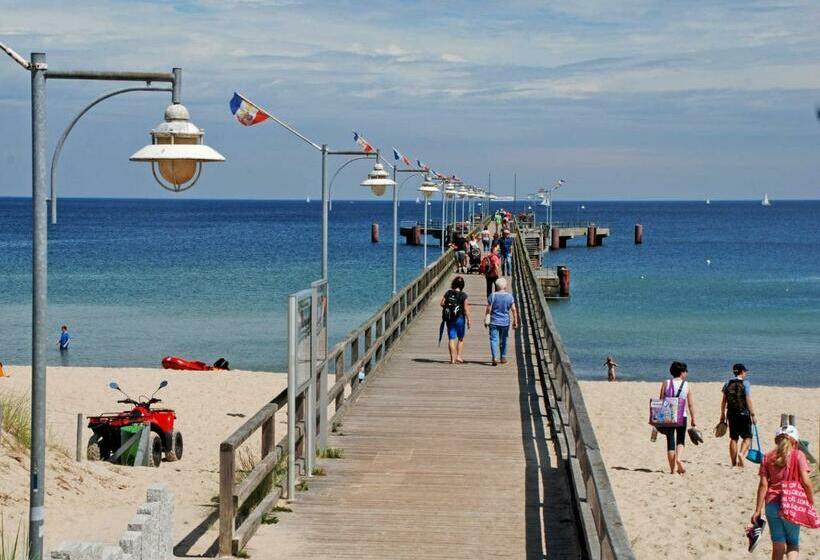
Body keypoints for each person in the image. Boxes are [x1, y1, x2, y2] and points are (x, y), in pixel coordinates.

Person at [749, 425, 814, 557]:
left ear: (776, 440)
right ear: (795, 442)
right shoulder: (799, 455)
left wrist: (757, 510)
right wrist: (810, 503)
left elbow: (763, 485)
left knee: (778, 544)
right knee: (792, 543)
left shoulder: (766, 457)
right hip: (792, 504)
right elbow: (806, 483)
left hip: (772, 505)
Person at [658, 361, 696, 475]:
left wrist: (659, 418)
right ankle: (679, 459)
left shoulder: (666, 383)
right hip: (682, 416)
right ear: (682, 372)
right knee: (680, 440)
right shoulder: (686, 385)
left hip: (668, 414)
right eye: (685, 371)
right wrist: (694, 418)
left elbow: (661, 400)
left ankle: (672, 470)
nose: (686, 373)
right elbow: (690, 404)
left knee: (670, 441)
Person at [719, 363, 757, 468]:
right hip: (744, 414)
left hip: (731, 414)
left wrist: (722, 415)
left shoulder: (727, 383)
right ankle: (741, 453)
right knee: (748, 437)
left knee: (733, 438)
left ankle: (733, 463)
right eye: (745, 371)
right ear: (742, 372)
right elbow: (748, 400)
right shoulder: (746, 383)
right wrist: (753, 414)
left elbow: (723, 402)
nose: (745, 373)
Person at [485, 277, 518, 366]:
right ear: (505, 286)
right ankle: (503, 357)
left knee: (493, 339)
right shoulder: (509, 296)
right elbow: (514, 309)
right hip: (505, 322)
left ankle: (494, 357)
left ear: (496, 286)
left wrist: (486, 318)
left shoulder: (493, 295)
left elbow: (488, 309)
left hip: (494, 321)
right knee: (504, 340)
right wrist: (515, 320)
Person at [440, 276, 471, 364]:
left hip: (450, 319)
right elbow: (466, 309)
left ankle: (452, 359)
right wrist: (469, 320)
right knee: (460, 338)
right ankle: (459, 357)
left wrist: (448, 308)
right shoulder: (463, 295)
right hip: (460, 318)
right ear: (462, 285)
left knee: (451, 338)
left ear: (453, 283)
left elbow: (442, 303)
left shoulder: (448, 293)